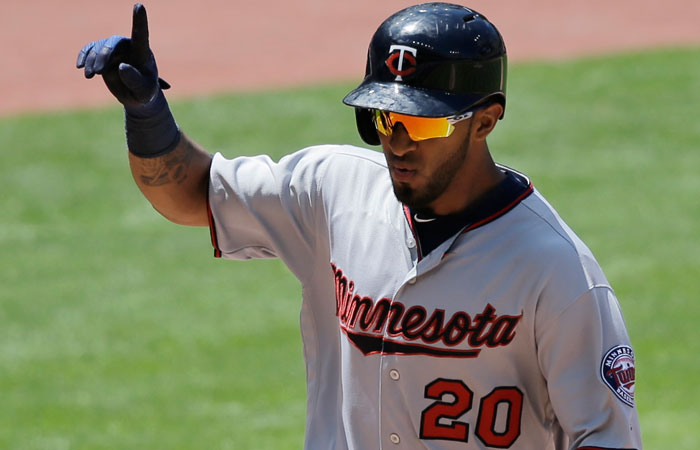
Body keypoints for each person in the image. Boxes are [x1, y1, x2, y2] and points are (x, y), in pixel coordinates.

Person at [77, 3, 642, 449]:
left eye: (419, 123)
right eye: (382, 118)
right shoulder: (334, 189)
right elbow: (191, 194)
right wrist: (148, 114)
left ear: (485, 121)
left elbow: (606, 438)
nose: (395, 141)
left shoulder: (556, 271)